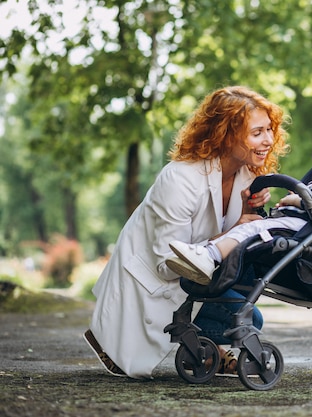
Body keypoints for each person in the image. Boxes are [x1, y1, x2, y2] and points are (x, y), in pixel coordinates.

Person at [83, 86, 289, 379]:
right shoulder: (180, 179)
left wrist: (245, 213)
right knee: (247, 319)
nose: (268, 140)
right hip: (154, 283)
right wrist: (239, 228)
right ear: (225, 134)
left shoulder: (248, 174)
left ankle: (207, 351)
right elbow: (167, 264)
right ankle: (112, 338)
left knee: (248, 309)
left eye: (269, 129)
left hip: (195, 276)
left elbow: (228, 239)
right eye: (257, 133)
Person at [166, 126, 312, 286]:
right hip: (292, 222)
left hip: (307, 229)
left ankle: (209, 256)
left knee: (252, 229)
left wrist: (297, 200)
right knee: (249, 227)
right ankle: (203, 253)